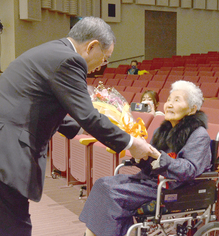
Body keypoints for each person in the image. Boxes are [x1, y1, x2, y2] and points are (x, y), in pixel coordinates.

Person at [0, 17, 153, 236]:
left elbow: (39, 104)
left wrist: (82, 129)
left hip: (5, 142)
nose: (102, 65)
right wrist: (130, 143)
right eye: (104, 58)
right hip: (9, 149)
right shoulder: (70, 60)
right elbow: (88, 115)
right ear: (92, 46)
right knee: (14, 225)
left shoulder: (52, 51)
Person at [79, 80, 212, 236]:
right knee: (102, 184)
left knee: (112, 191)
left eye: (177, 100)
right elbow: (151, 163)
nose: (169, 104)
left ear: (192, 109)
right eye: (169, 99)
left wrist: (158, 156)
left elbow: (189, 170)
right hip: (151, 182)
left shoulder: (199, 135)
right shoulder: (161, 131)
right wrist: (141, 157)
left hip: (172, 188)